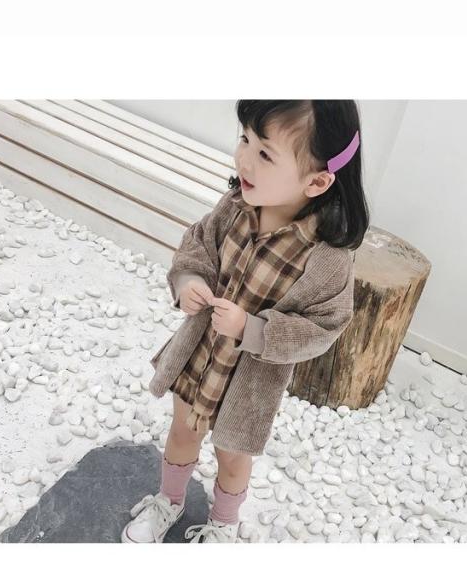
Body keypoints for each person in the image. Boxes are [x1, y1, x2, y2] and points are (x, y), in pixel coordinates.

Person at [122, 100, 369, 543]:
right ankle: (169, 501)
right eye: (245, 139)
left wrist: (252, 329)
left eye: (265, 154)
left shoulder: (327, 258)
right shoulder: (236, 205)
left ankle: (223, 524)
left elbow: (325, 327)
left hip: (249, 383)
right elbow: (198, 242)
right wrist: (190, 280)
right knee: (182, 432)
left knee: (233, 457)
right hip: (200, 357)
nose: (244, 159)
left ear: (317, 181)